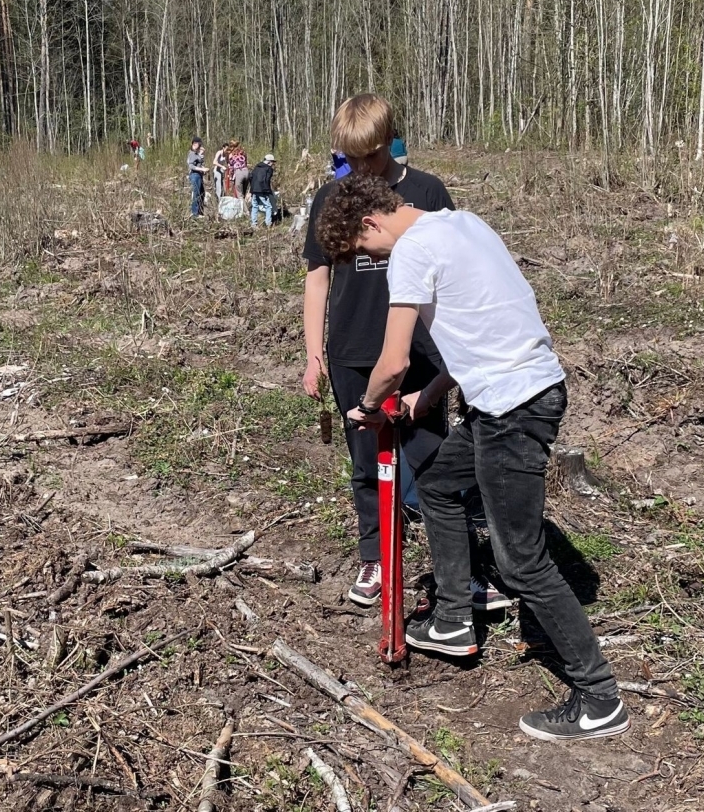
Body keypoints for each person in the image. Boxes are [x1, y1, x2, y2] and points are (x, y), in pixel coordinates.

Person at [318, 173, 629, 743]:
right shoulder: (464, 225)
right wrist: (428, 396)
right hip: (513, 397)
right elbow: (480, 330)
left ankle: (599, 697)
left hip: (513, 409)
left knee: (521, 561)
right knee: (437, 481)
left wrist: (368, 407)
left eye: (366, 251)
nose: (374, 259)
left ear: (370, 223)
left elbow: (388, 363)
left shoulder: (411, 252)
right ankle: (453, 616)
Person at [303, 94, 507, 614]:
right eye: (347, 158)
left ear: (388, 142)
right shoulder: (332, 196)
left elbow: (456, 269)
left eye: (367, 156)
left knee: (434, 462)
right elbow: (317, 276)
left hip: (417, 353)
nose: (358, 169)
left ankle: (457, 570)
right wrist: (313, 354)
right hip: (352, 350)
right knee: (366, 462)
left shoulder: (426, 192)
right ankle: (375, 556)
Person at [251, 153, 276, 227]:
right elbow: (266, 180)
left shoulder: (256, 167)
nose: (272, 164)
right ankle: (268, 223)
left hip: (254, 190)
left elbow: (251, 178)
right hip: (262, 190)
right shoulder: (268, 169)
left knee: (254, 206)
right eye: (272, 162)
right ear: (268, 162)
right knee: (268, 206)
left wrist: (251, 191)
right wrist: (268, 191)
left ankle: (253, 224)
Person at [186, 137, 208, 218]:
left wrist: (201, 154)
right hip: (195, 175)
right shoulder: (192, 153)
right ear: (194, 144)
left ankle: (200, 212)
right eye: (199, 144)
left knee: (202, 193)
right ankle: (195, 213)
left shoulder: (196, 154)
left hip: (199, 175)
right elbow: (191, 166)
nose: (200, 146)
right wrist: (202, 169)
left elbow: (200, 162)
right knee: (196, 194)